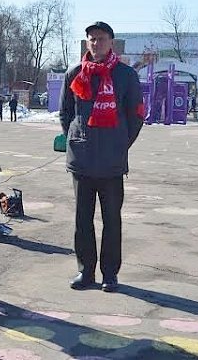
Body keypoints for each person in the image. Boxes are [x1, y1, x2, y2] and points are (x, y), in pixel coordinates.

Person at [59, 21, 144, 292]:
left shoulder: (125, 75)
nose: (96, 43)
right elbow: (66, 114)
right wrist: (78, 139)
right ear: (87, 43)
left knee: (111, 220)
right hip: (81, 161)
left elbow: (136, 116)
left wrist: (119, 143)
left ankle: (110, 274)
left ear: (111, 42)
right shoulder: (75, 74)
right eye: (92, 39)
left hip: (111, 162)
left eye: (102, 39)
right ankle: (86, 272)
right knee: (82, 220)